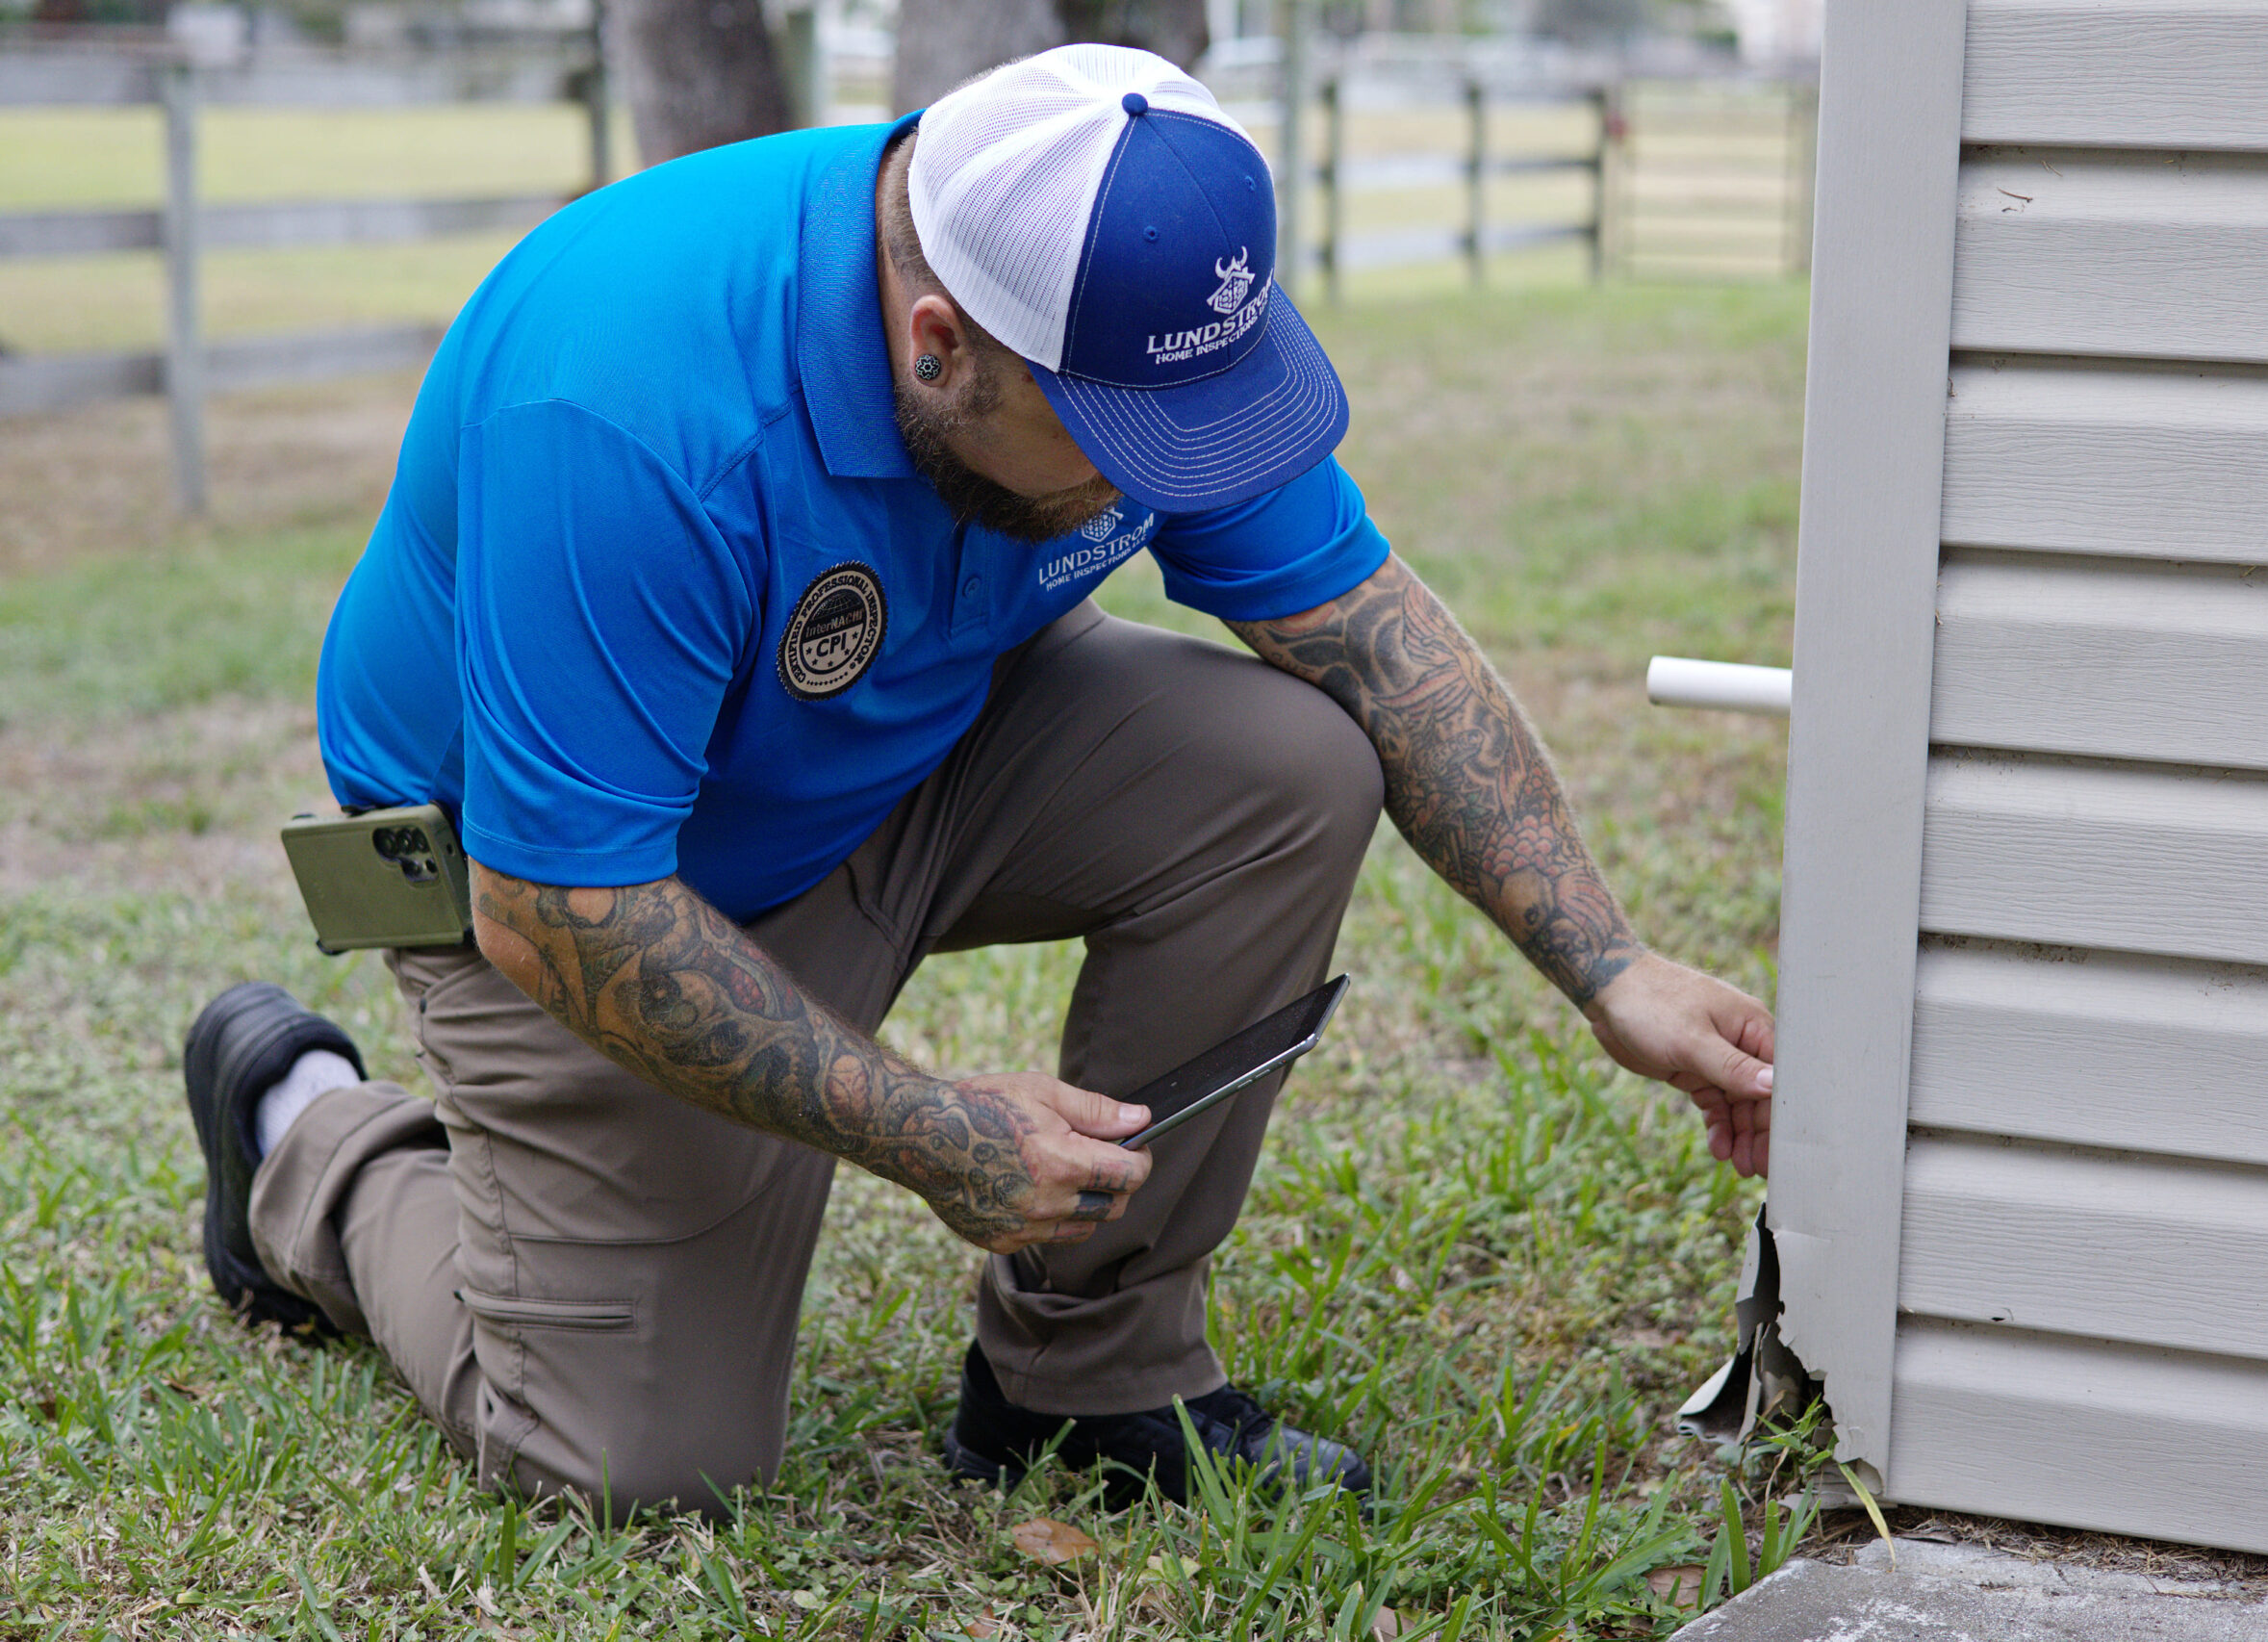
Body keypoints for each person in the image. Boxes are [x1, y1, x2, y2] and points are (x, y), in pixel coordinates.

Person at [182, 44, 1775, 1519]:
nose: (1175, 479)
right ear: (939, 343)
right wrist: (933, 1127)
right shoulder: (623, 397)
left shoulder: (1137, 324)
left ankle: (1083, 1385)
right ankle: (306, 1138)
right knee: (626, 1454)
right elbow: (562, 902)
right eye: (1118, 442)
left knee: (1291, 763)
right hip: (574, 887)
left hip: (906, 750)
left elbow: (1363, 633)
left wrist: (1608, 962)